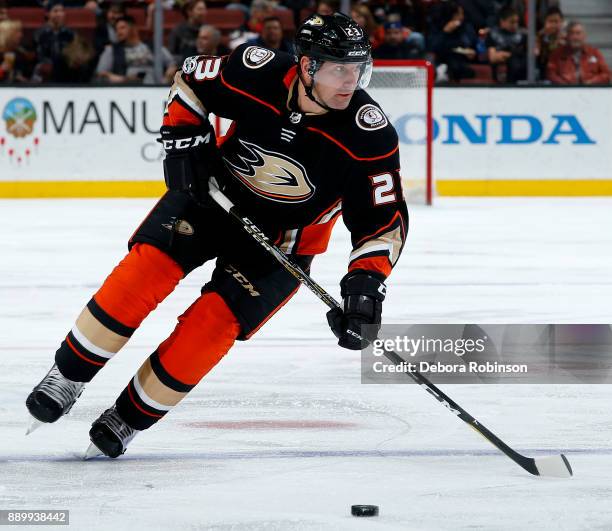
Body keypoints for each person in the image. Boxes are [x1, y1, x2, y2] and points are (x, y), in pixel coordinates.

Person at [26, 12, 408, 459]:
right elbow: (190, 79)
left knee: (210, 328)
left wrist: (365, 286)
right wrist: (182, 135)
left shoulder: (369, 136)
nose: (350, 81)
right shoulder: (255, 68)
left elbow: (383, 223)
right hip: (210, 197)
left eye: (358, 69)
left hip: (281, 244)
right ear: (305, 66)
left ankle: (128, 417)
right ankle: (68, 375)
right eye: (337, 68)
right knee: (142, 274)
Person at [96, 15, 176, 84]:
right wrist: (121, 79)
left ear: (134, 28)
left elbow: (172, 64)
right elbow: (101, 73)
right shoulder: (111, 50)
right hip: (127, 89)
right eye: (116, 29)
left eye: (122, 28)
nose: (118, 32)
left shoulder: (153, 46)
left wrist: (164, 80)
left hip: (154, 87)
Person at [546, 21, 610, 85]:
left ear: (584, 36)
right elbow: (551, 74)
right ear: (567, 36)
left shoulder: (594, 53)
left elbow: (607, 74)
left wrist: (590, 83)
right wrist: (565, 86)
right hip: (564, 92)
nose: (575, 37)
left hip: (590, 92)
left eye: (578, 33)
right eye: (572, 33)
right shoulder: (557, 54)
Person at [428, 2, 477, 82]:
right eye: (459, 14)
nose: (462, 17)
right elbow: (433, 47)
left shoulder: (465, 26)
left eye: (462, 14)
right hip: (440, 59)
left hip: (458, 61)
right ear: (452, 15)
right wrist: (445, 32)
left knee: (462, 69)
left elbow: (467, 44)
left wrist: (469, 51)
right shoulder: (437, 25)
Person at [32, 0, 75, 82]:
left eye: (62, 11)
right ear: (47, 14)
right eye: (55, 11)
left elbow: (72, 54)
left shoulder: (69, 33)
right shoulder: (40, 34)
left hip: (65, 69)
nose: (60, 14)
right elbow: (40, 56)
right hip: (46, 68)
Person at [487, 6, 527, 83]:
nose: (515, 25)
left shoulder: (523, 36)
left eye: (516, 22)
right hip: (501, 70)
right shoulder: (493, 35)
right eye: (512, 22)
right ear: (502, 21)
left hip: (520, 70)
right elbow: (493, 57)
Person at [168, 0, 208, 65]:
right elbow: (172, 53)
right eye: (200, 9)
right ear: (189, 12)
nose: (203, 12)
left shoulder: (208, 30)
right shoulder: (178, 30)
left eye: (204, 9)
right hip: (183, 66)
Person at [536, 6, 565, 78]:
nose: (553, 25)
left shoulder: (567, 38)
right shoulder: (538, 37)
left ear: (562, 22)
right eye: (550, 21)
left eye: (556, 21)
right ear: (544, 23)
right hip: (543, 73)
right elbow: (536, 55)